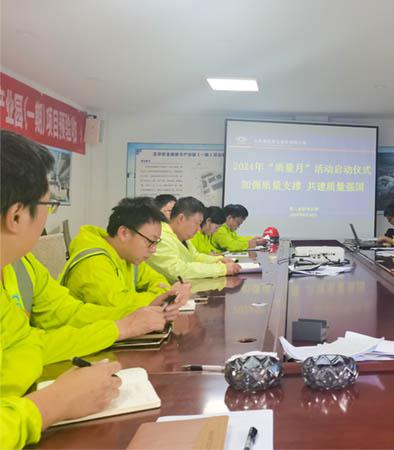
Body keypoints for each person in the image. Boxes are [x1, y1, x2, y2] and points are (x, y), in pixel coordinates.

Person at [0, 130, 148, 447]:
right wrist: (53, 404)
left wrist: (120, 328)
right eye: (49, 204)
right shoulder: (93, 259)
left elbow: (31, 344)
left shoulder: (16, 265)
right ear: (17, 215)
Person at [60, 197, 191, 312]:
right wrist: (164, 296)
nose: (153, 249)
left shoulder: (128, 256)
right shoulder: (92, 263)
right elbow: (119, 305)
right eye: (150, 241)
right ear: (124, 233)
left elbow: (157, 280)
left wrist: (164, 293)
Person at [147, 197, 241, 281]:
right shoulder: (160, 236)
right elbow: (177, 271)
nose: (198, 229)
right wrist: (222, 269)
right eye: (197, 223)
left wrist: (218, 260)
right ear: (181, 218)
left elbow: (195, 257)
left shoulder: (181, 236)